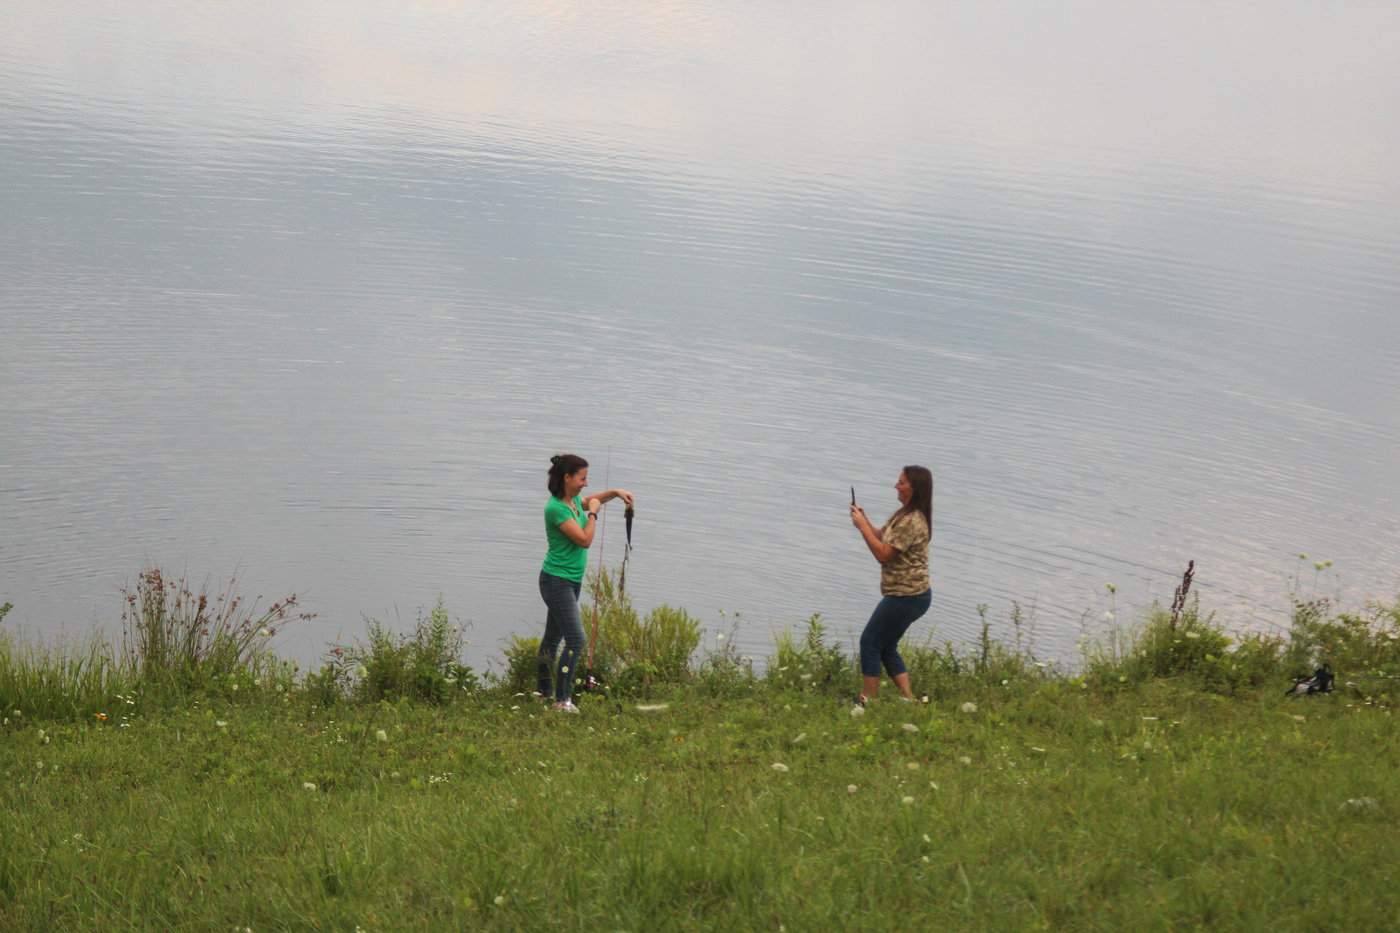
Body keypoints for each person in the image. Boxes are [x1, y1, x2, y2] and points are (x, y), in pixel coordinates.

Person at [538, 453, 633, 713]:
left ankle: (544, 695)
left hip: (570, 581)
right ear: (567, 478)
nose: (586, 484)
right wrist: (593, 515)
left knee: (552, 639)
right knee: (577, 640)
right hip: (556, 581)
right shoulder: (556, 508)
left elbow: (592, 500)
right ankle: (561, 700)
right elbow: (584, 540)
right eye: (582, 478)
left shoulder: (573, 502)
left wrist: (615, 492)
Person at [849, 465, 933, 704]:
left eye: (901, 483)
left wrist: (862, 528)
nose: (896, 486)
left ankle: (868, 700)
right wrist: (865, 521)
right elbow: (882, 537)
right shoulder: (903, 514)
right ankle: (908, 698)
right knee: (886, 646)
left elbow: (884, 555)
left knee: (870, 642)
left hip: (906, 596)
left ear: (914, 489)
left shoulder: (912, 521)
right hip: (914, 595)